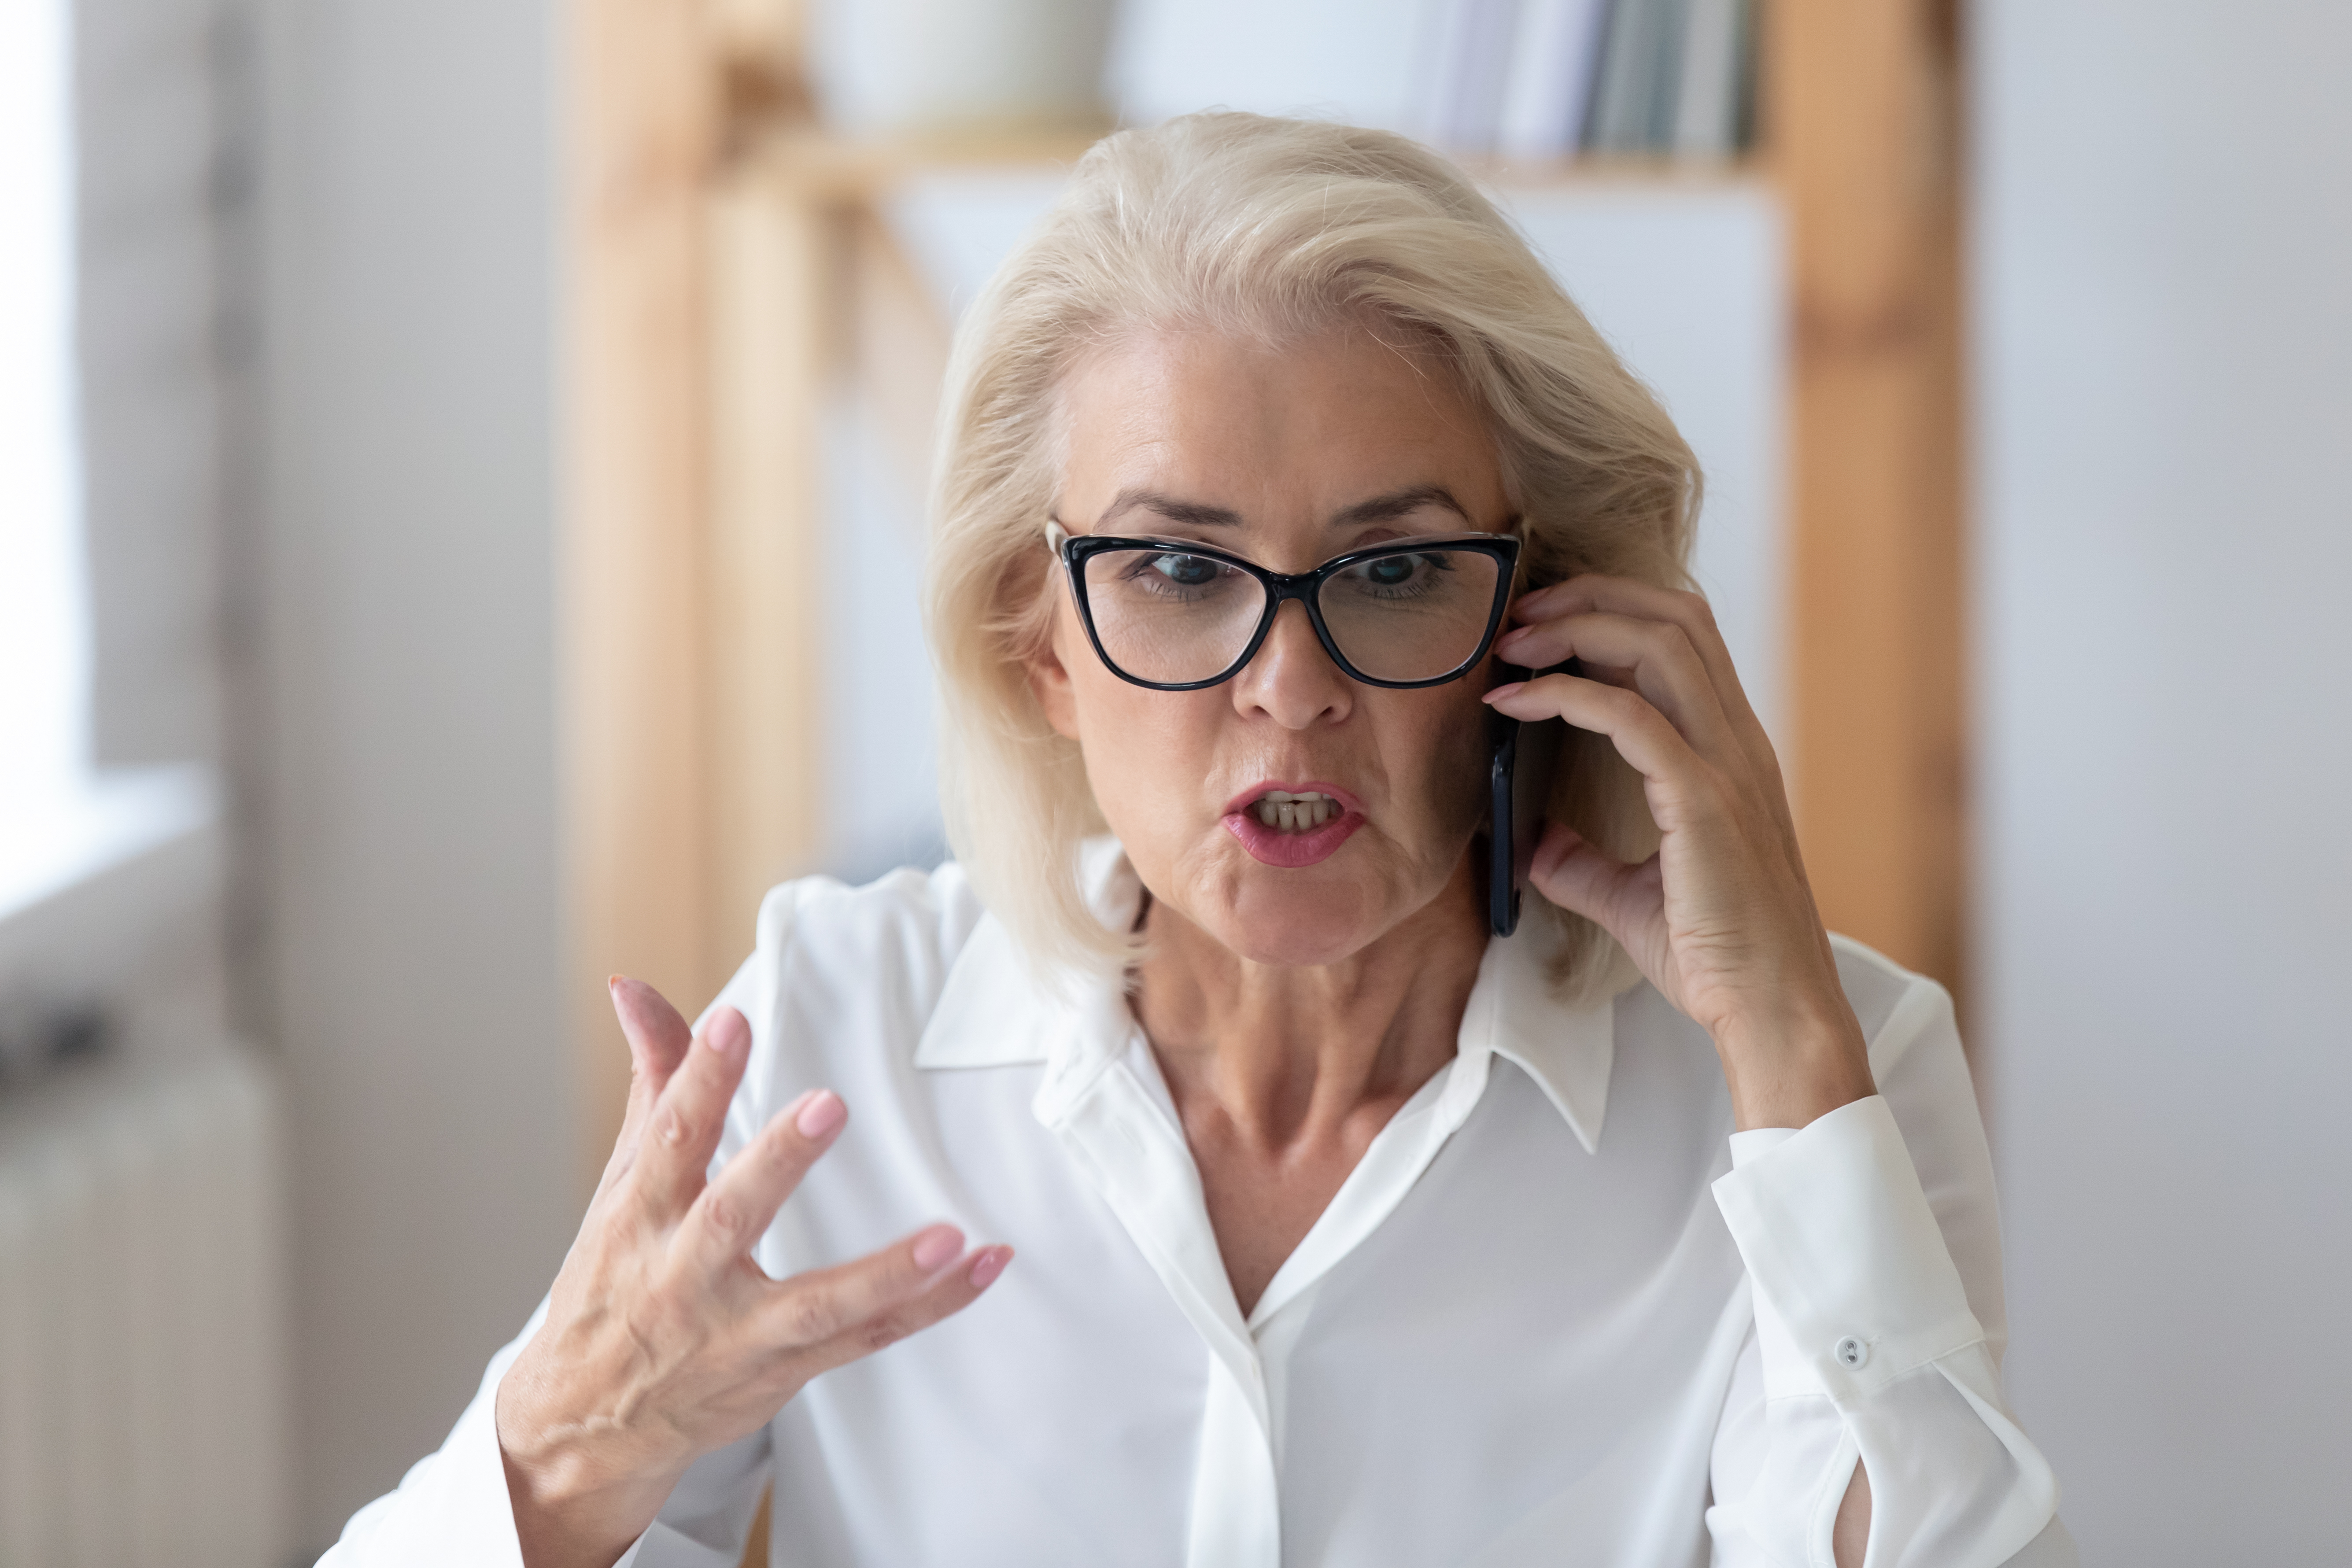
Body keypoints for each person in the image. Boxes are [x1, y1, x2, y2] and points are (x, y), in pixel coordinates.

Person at [322, 113, 2071, 1568]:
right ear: (1042, 646)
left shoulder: (1808, 1094)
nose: (1289, 688)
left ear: (1537, 621)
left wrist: (1784, 1042)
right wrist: (554, 1467)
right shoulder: (835, 1041)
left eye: (1390, 573)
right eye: (1174, 570)